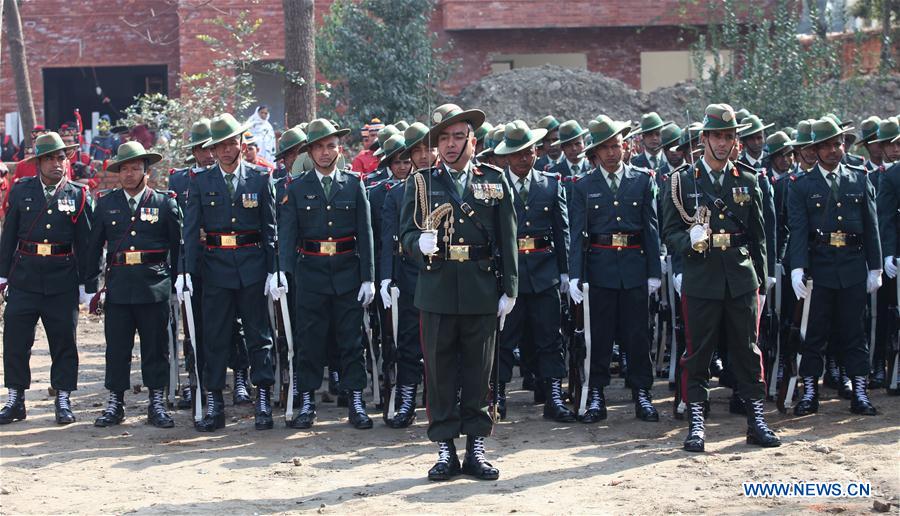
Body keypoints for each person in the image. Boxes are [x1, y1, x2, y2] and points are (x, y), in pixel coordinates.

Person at [399, 103, 518, 481]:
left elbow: (508, 237)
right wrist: (419, 243)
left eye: (457, 137)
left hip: (481, 287)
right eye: (443, 138)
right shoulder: (420, 182)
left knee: (479, 372)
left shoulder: (495, 179)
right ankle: (445, 448)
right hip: (436, 288)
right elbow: (402, 236)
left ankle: (476, 447)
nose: (450, 145)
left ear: (473, 140)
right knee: (439, 371)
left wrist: (510, 289)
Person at [661, 103, 780, 452]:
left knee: (747, 350)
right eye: (718, 136)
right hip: (702, 275)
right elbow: (669, 232)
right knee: (698, 352)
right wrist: (689, 240)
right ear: (704, 138)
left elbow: (759, 235)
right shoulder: (682, 180)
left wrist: (762, 278)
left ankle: (756, 419)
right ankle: (696, 421)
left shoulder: (747, 178)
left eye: (729, 136)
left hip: (741, 277)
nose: (724, 143)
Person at [177, 113, 278, 432]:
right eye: (218, 145)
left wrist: (275, 271)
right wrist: (186, 272)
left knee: (259, 336)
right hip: (216, 267)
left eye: (230, 143)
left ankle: (262, 398)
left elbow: (270, 229)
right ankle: (215, 403)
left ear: (241, 143)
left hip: (252, 265)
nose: (224, 150)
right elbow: (191, 231)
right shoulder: (200, 181)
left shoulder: (260, 178)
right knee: (215, 337)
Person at [277, 119, 375, 430]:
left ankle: (356, 399)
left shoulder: (354, 183)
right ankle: (307, 400)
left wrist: (368, 277)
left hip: (347, 270)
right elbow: (288, 235)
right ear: (309, 151)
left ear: (339, 148)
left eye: (330, 146)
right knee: (310, 339)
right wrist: (284, 273)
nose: (325, 152)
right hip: (311, 273)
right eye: (319, 147)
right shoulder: (298, 186)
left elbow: (366, 232)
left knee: (351, 339)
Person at [569, 115, 661, 423]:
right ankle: (596, 392)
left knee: (637, 335)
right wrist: (575, 276)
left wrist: (653, 272)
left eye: (615, 146)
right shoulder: (583, 186)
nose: (611, 153)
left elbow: (651, 229)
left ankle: (642, 393)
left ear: (625, 147)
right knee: (600, 336)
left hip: (634, 267)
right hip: (600, 269)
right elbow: (578, 236)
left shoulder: (642, 179)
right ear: (594, 153)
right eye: (604, 147)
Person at [788, 116, 882, 417]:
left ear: (844, 145)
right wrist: (798, 268)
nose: (832, 150)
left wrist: (875, 267)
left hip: (853, 265)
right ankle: (811, 390)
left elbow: (872, 225)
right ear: (815, 149)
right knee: (815, 332)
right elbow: (799, 230)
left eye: (837, 144)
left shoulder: (859, 177)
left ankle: (860, 390)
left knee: (854, 331)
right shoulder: (802, 185)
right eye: (826, 145)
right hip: (821, 267)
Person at [0, 132, 96, 425]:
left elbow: (87, 243)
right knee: (15, 340)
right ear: (39, 162)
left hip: (61, 277)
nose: (58, 163)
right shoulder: (20, 190)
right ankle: (16, 399)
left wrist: (86, 286)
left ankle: (64, 398)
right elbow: (8, 236)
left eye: (61, 158)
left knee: (63, 341)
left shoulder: (78, 194)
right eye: (51, 158)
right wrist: (2, 276)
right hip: (25, 275)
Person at [84, 142, 181, 428]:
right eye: (124, 168)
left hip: (154, 285)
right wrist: (91, 282)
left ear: (146, 171)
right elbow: (93, 246)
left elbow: (177, 246)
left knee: (155, 347)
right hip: (120, 287)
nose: (129, 174)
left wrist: (178, 281)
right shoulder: (106, 203)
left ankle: (157, 403)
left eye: (135, 168)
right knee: (117, 348)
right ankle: (115, 402)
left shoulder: (164, 202)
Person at [492, 120, 575, 423]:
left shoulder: (551, 183)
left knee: (549, 338)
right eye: (516, 154)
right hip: (509, 276)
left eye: (528, 152)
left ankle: (553, 396)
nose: (523, 159)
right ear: (506, 157)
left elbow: (562, 231)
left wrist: (567, 274)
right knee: (503, 339)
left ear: (537, 152)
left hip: (544, 271)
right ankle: (497, 396)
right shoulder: (494, 186)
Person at [379, 122, 437, 428]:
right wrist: (386, 279)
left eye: (429, 148)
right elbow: (390, 239)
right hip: (411, 274)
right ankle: (406, 398)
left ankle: (439, 399)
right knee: (409, 340)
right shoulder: (398, 193)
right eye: (417, 151)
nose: (424, 156)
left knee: (442, 341)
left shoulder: (449, 187)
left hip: (445, 273)